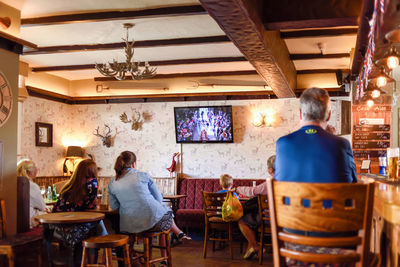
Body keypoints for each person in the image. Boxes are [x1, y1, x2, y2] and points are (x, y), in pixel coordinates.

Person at [108, 151, 190, 266]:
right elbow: (158, 199)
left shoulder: (112, 182)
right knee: (165, 214)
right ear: (134, 164)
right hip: (152, 222)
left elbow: (115, 206)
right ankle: (168, 253)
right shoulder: (142, 175)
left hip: (128, 226)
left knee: (162, 215)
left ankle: (136, 260)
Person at [275, 87, 357, 183]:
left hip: (293, 198)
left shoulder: (283, 143)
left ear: (300, 114)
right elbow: (353, 183)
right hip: (334, 198)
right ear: (329, 115)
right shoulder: (342, 144)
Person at [232, 155, 275, 259]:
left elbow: (252, 191)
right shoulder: (288, 181)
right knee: (252, 217)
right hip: (286, 218)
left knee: (242, 220)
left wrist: (237, 189)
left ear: (270, 170)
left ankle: (255, 247)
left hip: (270, 218)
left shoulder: (269, 183)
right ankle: (251, 248)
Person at [17, 159, 46, 228]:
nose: (37, 170)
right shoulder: (32, 186)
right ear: (29, 172)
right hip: (28, 220)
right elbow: (42, 207)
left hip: (15, 220)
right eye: (35, 168)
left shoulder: (14, 184)